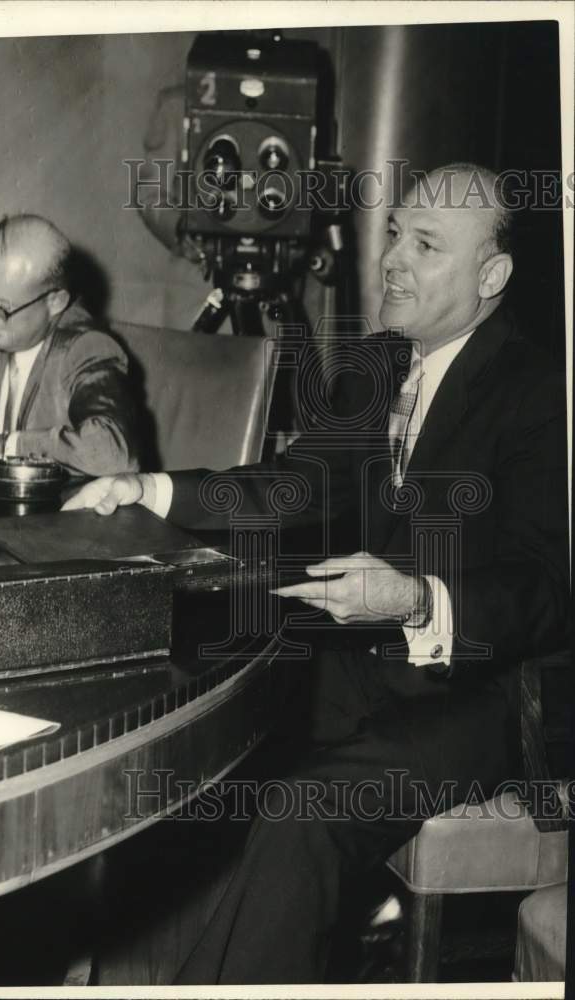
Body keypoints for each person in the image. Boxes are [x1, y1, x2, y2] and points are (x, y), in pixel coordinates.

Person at [62, 164, 568, 983]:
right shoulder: (376, 364)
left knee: (303, 815)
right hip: (358, 675)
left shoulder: (543, 395)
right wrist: (149, 487)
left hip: (482, 698)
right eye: (396, 232)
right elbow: (291, 482)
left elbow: (546, 591)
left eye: (425, 244)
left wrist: (414, 597)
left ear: (492, 276)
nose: (392, 258)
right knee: (195, 780)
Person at [0, 214, 140, 475]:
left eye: (2, 306)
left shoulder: (85, 348)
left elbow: (111, 454)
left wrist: (6, 446)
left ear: (55, 302)